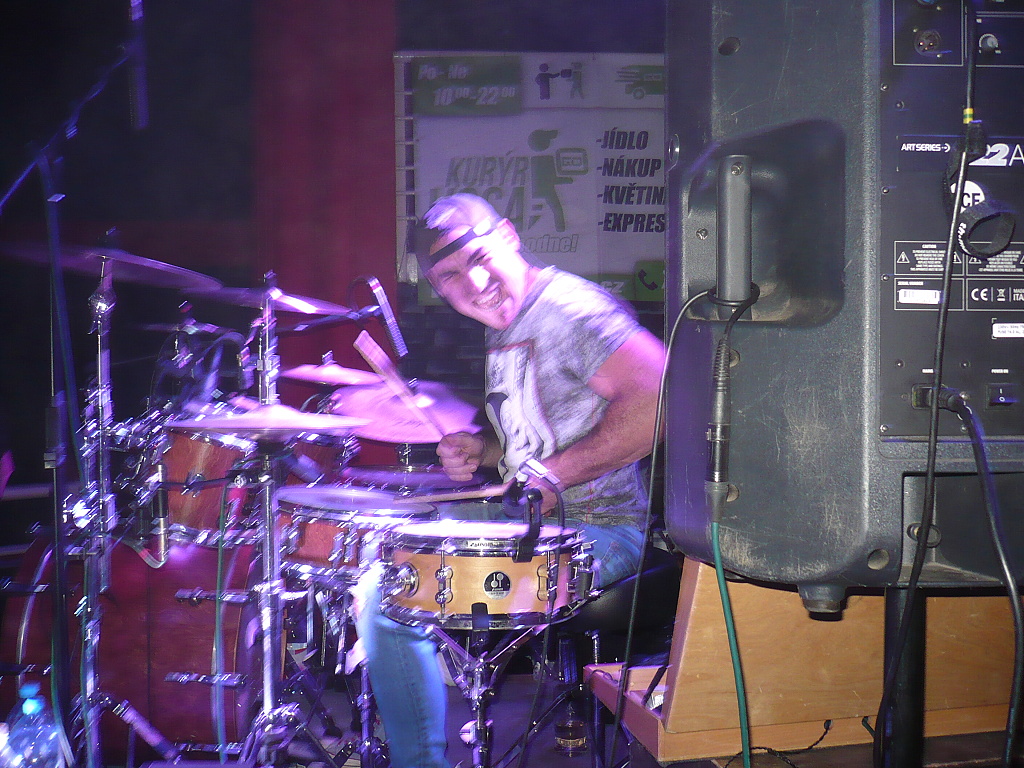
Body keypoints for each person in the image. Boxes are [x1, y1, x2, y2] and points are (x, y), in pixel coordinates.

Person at [354, 193, 667, 768]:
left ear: (508, 235)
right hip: (531, 520)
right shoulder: (507, 323)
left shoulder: (568, 309)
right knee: (387, 561)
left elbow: (662, 399)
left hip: (601, 528)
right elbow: (543, 442)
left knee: (392, 598)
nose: (474, 282)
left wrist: (553, 475)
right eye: (450, 276)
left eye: (478, 258)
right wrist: (486, 451)